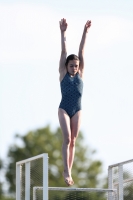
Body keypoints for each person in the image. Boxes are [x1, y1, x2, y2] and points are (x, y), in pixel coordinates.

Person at [58, 18, 91, 186]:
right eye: (71, 66)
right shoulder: (63, 73)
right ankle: (66, 170)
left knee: (74, 141)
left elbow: (81, 50)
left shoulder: (81, 74)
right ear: (67, 66)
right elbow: (64, 52)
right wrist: (63, 32)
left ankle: (69, 172)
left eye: (76, 66)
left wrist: (85, 32)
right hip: (64, 108)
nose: (74, 68)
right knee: (67, 138)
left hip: (77, 109)